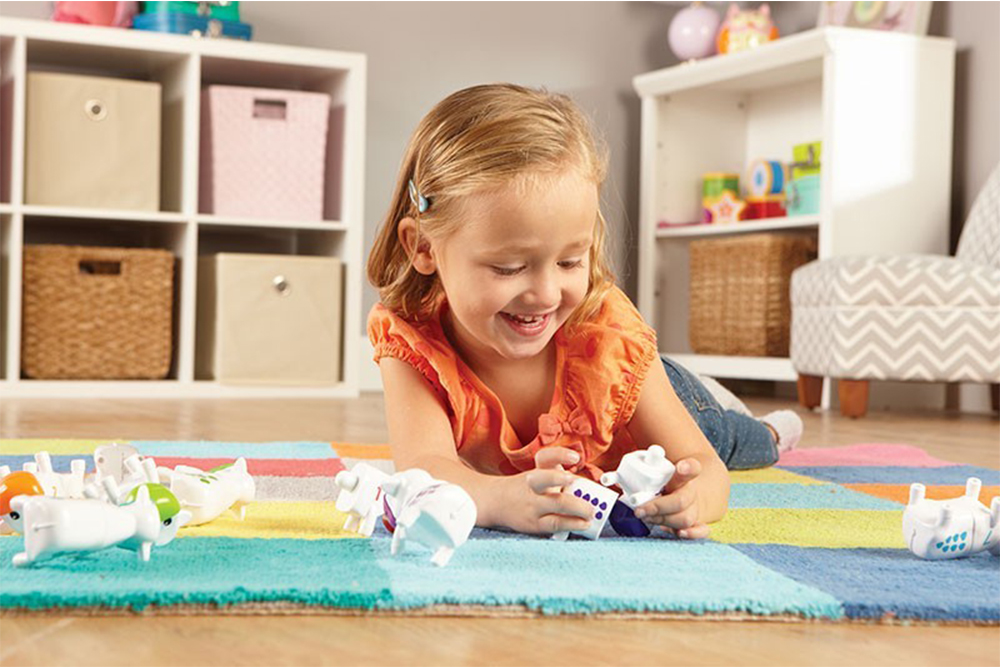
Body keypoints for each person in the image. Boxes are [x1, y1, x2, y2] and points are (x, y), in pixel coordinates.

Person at [367, 83, 802, 539]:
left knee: (732, 438)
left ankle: (767, 428)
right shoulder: (411, 342)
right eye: (508, 268)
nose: (545, 294)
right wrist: (499, 499)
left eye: (571, 262)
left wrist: (697, 498)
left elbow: (708, 470)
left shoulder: (608, 334)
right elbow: (424, 469)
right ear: (422, 247)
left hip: (649, 397)